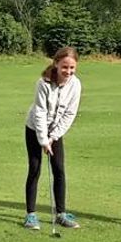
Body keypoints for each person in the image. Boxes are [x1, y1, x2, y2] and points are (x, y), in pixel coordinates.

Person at [22, 47, 82, 230]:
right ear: (56, 64)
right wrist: (43, 140)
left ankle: (61, 214)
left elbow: (70, 114)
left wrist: (53, 137)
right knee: (35, 168)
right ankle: (31, 215)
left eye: (72, 67)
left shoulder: (75, 84)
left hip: (56, 131)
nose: (68, 71)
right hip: (34, 128)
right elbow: (39, 112)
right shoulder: (44, 83)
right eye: (65, 67)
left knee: (59, 169)